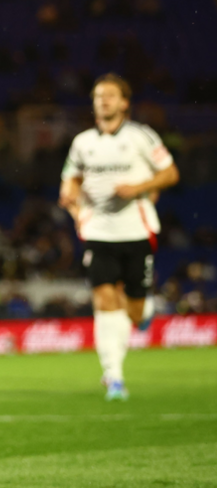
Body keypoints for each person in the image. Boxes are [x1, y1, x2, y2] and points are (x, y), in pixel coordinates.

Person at [59, 73, 178, 401]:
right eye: (99, 96)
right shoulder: (83, 142)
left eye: (110, 95)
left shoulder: (142, 136)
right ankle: (114, 376)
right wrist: (70, 197)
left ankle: (145, 309)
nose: (104, 100)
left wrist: (137, 189)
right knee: (104, 300)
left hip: (137, 231)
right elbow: (70, 180)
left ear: (125, 103)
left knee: (135, 310)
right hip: (98, 232)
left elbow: (170, 172)